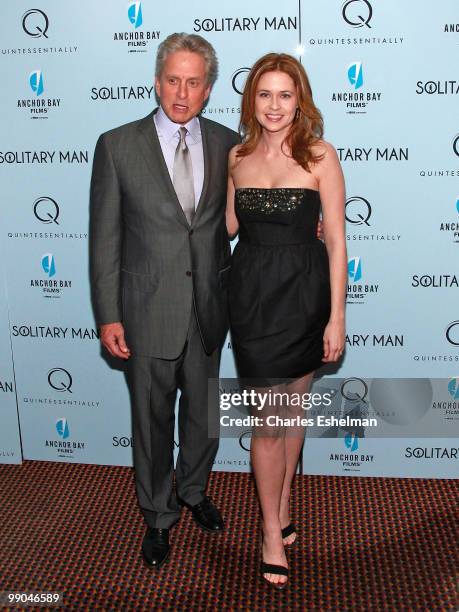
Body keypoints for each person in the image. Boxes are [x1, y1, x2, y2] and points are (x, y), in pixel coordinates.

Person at [89, 33, 240, 569]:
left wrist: (305, 221)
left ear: (208, 89)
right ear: (157, 82)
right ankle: (157, 515)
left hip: (208, 307)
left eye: (193, 82)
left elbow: (246, 210)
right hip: (145, 308)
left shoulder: (229, 144)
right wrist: (108, 313)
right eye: (173, 80)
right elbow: (104, 238)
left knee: (203, 418)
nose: (181, 92)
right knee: (151, 423)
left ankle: (194, 492)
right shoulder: (116, 145)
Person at [226, 53, 347, 589]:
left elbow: (339, 242)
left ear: (301, 100)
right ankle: (271, 530)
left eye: (285, 95)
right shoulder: (237, 155)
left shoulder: (320, 155)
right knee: (268, 422)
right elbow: (228, 224)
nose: (274, 106)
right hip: (252, 297)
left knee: (293, 409)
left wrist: (337, 317)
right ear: (252, 99)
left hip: (304, 294)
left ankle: (284, 502)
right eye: (264, 94)